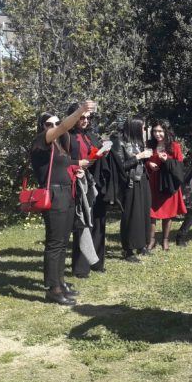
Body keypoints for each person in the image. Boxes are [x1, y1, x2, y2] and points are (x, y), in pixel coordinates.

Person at [31, 101, 95, 305]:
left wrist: (77, 168)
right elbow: (64, 128)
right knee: (54, 243)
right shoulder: (42, 141)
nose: (55, 126)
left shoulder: (59, 146)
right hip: (55, 196)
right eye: (50, 124)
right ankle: (53, 289)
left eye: (56, 123)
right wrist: (80, 111)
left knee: (62, 243)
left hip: (67, 194)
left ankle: (60, 282)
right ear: (43, 127)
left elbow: (64, 166)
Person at [66, 103, 107, 278]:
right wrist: (77, 164)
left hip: (86, 181)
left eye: (88, 118)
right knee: (80, 221)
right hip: (71, 181)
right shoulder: (66, 136)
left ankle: (86, 265)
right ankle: (83, 266)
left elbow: (91, 152)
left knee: (86, 220)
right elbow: (62, 159)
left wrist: (101, 153)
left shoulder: (88, 135)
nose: (85, 121)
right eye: (82, 117)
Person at [111, 117, 153, 262]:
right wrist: (139, 156)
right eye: (142, 127)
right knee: (131, 215)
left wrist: (147, 160)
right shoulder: (120, 142)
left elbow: (139, 161)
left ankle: (142, 244)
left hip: (142, 180)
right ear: (135, 127)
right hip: (130, 183)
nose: (144, 130)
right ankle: (128, 249)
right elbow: (120, 166)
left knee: (143, 213)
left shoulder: (138, 141)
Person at [145, 119, 187, 251]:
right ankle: (151, 240)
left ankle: (165, 240)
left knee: (168, 213)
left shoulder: (174, 146)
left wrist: (166, 160)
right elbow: (143, 160)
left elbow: (179, 166)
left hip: (168, 184)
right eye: (155, 131)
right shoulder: (149, 145)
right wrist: (149, 164)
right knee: (151, 212)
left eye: (160, 131)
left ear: (166, 131)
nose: (157, 134)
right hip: (152, 182)